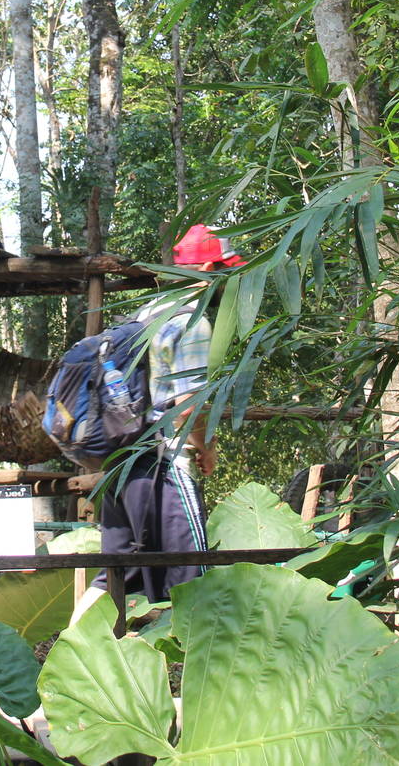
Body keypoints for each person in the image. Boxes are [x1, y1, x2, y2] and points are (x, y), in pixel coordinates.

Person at [82, 224, 243, 611]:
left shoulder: (147, 312)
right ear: (208, 269)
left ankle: (62, 659)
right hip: (165, 465)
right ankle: (192, 666)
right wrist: (207, 448)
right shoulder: (192, 321)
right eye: (226, 273)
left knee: (116, 576)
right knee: (192, 575)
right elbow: (190, 403)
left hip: (122, 465)